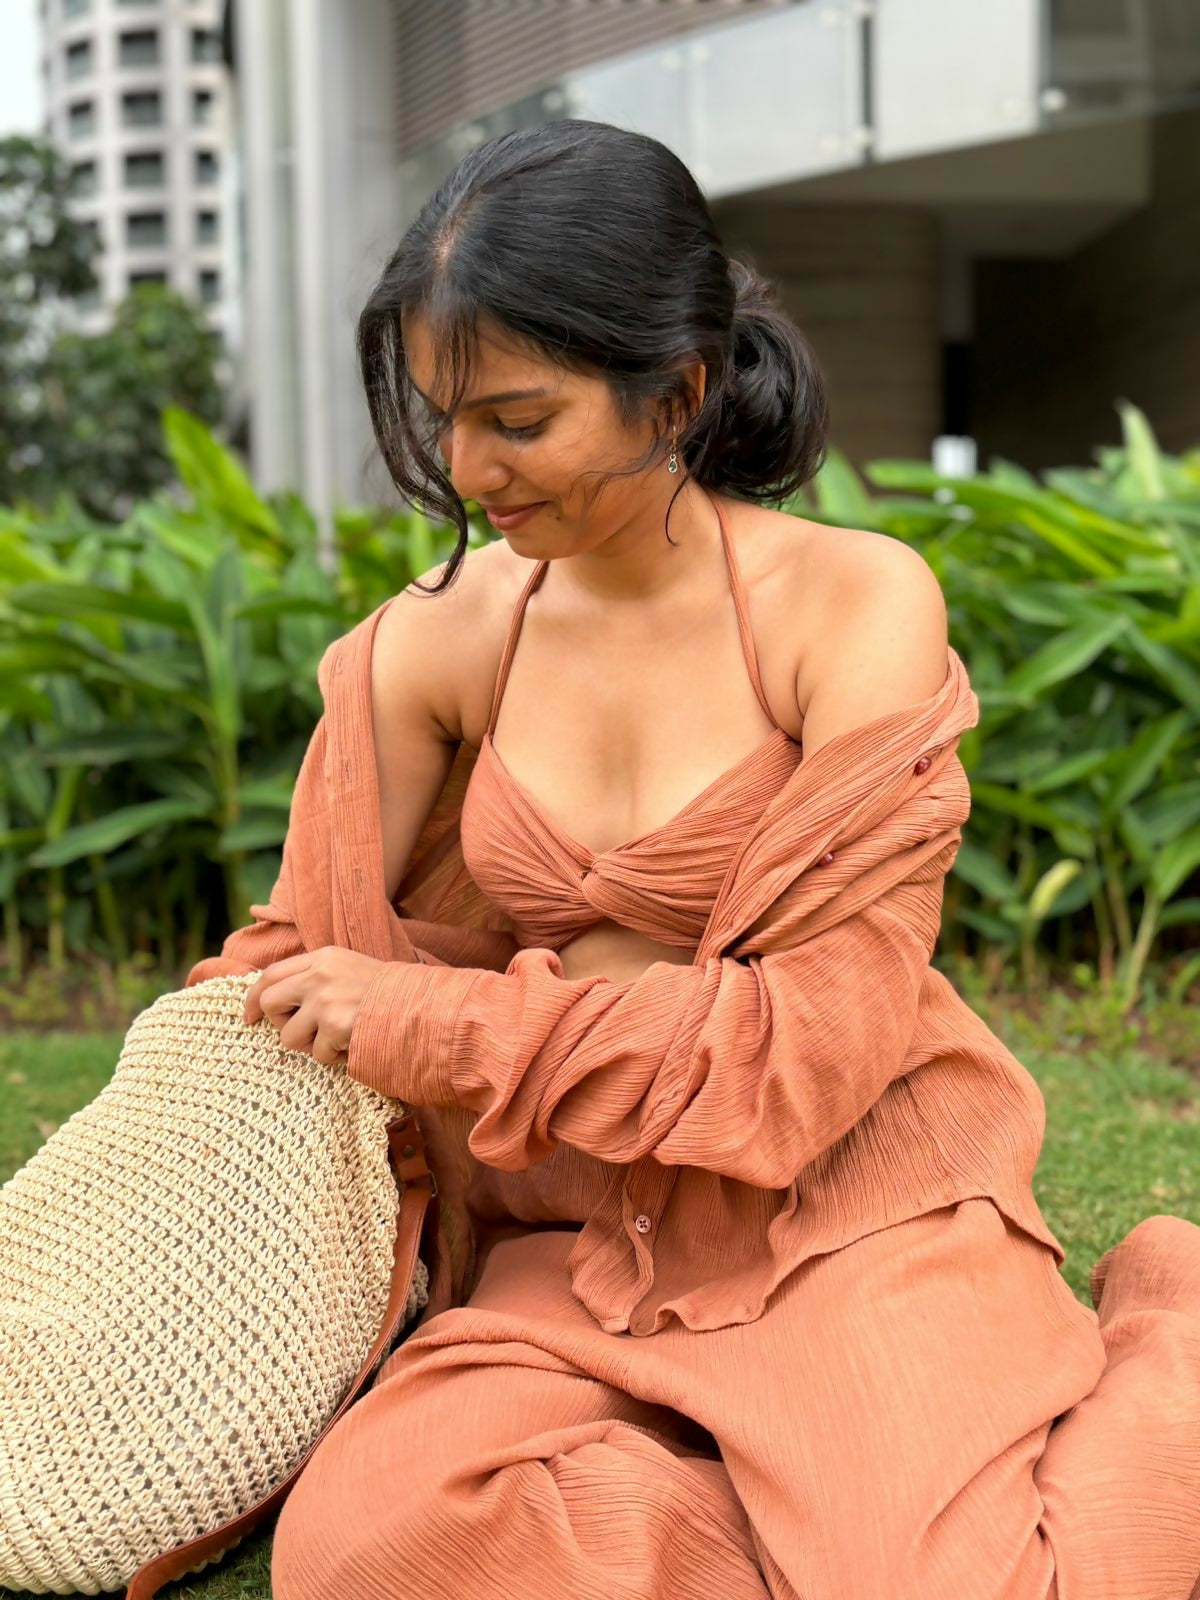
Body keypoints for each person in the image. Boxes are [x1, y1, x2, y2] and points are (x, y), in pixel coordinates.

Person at [219, 122, 1200, 1599]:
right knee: (370, 1554)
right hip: (585, 1236)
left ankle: (1168, 1323)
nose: (468, 469)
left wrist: (437, 1021)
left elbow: (812, 1055)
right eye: (444, 419)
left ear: (673, 391)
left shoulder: (849, 607)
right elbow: (305, 955)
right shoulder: (442, 637)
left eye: (519, 420)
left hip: (848, 1204)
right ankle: (754, 1492)